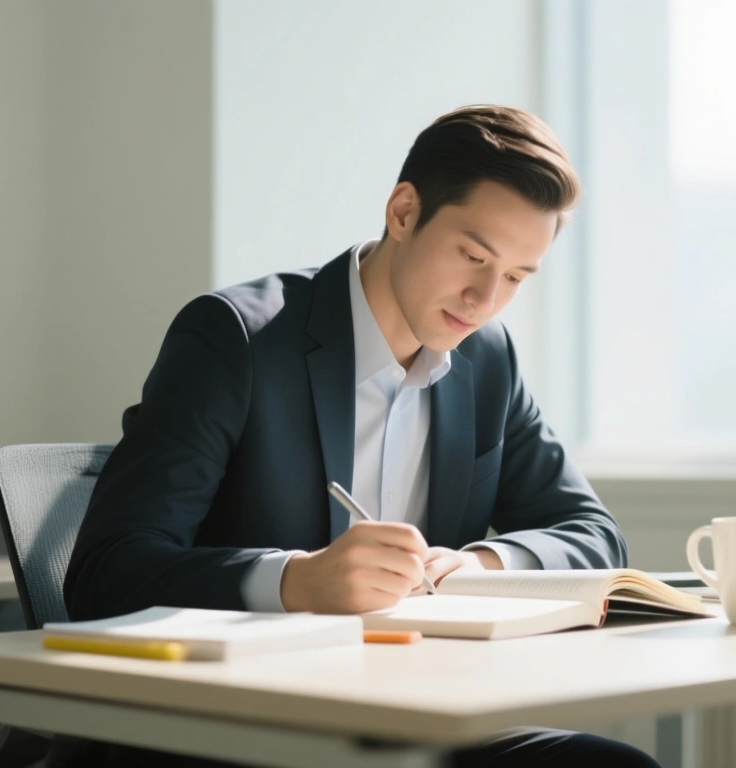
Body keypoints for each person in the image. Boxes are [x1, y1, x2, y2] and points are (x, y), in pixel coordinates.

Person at [63, 105, 658, 768]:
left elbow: (592, 534)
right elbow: (104, 572)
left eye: (517, 277)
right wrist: (296, 583)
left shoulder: (488, 359)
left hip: (419, 719)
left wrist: (482, 563)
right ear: (403, 212)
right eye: (472, 256)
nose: (486, 298)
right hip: (235, 728)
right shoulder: (237, 339)